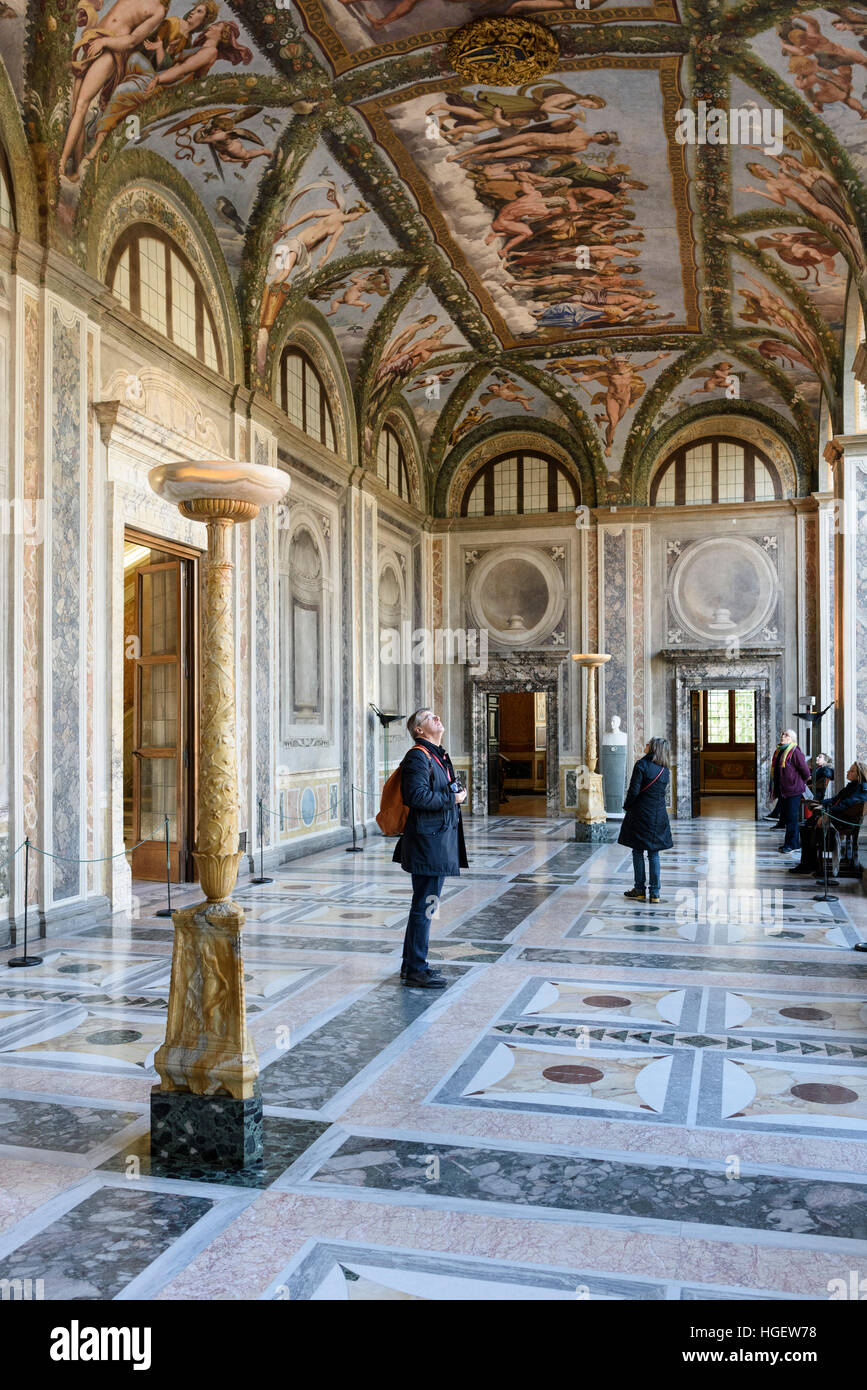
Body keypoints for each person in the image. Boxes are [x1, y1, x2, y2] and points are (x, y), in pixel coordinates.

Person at [392, 709, 468, 988]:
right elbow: (417, 796)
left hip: (437, 840)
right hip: (428, 844)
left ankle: (411, 965)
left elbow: (439, 788)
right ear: (419, 731)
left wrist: (455, 792)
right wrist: (453, 798)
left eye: (437, 714)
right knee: (425, 906)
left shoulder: (438, 754)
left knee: (424, 905)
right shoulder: (417, 756)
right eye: (429, 717)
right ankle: (415, 969)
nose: (437, 718)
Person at [618, 736, 673, 904]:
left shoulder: (641, 765)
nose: (646, 745)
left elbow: (633, 791)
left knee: (637, 851)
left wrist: (626, 807)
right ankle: (655, 893)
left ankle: (640, 889)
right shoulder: (665, 771)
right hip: (659, 816)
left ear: (654, 748)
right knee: (654, 853)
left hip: (641, 815)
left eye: (649, 743)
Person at [770, 729, 811, 855]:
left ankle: (793, 845)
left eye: (786, 735)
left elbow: (806, 772)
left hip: (793, 790)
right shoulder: (779, 751)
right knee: (787, 818)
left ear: (792, 739)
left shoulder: (795, 751)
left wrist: (796, 782)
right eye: (782, 734)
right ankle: (789, 843)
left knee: (792, 818)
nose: (783, 736)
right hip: (783, 790)